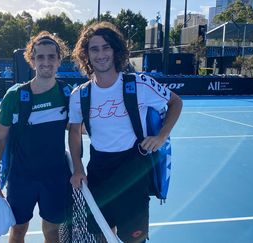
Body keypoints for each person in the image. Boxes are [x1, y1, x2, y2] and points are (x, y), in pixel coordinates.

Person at [68, 21, 183, 243]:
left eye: (106, 47)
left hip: (133, 169)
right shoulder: (79, 95)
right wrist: (78, 166)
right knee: (101, 233)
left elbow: (175, 103)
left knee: (133, 238)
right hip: (99, 169)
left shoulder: (140, 84)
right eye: (94, 49)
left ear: (115, 50)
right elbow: (74, 132)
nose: (101, 54)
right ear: (86, 55)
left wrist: (162, 136)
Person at [0, 31, 72, 243]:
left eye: (51, 56)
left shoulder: (67, 94)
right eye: (40, 57)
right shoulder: (15, 97)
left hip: (55, 179)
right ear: (31, 60)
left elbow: (79, 129)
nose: (46, 62)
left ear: (59, 60)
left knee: (52, 232)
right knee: (18, 231)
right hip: (21, 179)